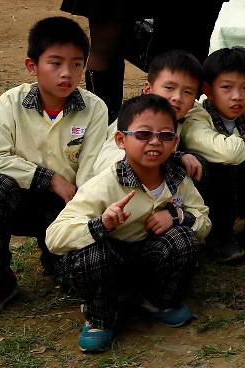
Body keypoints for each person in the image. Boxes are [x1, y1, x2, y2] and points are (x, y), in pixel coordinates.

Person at [0, 16, 108, 325]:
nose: (66, 74)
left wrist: (78, 213)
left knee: (75, 281)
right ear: (33, 66)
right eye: (55, 63)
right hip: (19, 200)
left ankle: (51, 251)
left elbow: (91, 168)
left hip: (65, 207)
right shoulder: (11, 103)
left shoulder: (94, 108)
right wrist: (50, 178)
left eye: (75, 64)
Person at [45, 94, 210, 353]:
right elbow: (54, 237)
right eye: (143, 134)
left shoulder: (178, 179)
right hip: (107, 261)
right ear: (121, 140)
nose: (155, 142)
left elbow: (203, 221)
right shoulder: (104, 184)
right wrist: (101, 224)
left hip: (147, 257)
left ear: (175, 141)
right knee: (91, 255)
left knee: (184, 238)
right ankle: (100, 317)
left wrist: (178, 217)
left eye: (165, 135)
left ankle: (156, 300)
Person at [184, 48, 245, 263]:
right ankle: (219, 236)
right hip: (211, 194)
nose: (237, 96)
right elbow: (230, 152)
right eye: (226, 87)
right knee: (223, 161)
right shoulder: (197, 116)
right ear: (208, 90)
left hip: (240, 191)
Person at [90, 49, 207, 178]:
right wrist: (174, 158)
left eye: (187, 92)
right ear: (147, 89)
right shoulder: (134, 118)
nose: (177, 97)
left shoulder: (184, 118)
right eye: (169, 88)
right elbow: (104, 165)